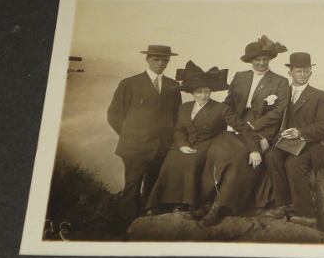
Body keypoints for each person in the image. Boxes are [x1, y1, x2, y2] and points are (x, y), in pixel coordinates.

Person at [144, 61, 262, 226]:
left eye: (206, 92)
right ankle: (162, 203)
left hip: (207, 143)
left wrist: (254, 150)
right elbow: (178, 130)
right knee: (172, 160)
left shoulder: (221, 109)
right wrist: (182, 144)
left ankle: (185, 203)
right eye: (199, 92)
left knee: (192, 160)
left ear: (210, 92)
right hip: (185, 143)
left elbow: (243, 129)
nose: (203, 96)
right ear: (192, 93)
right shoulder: (184, 108)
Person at [107, 44, 182, 228]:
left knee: (154, 184)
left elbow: (176, 116)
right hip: (134, 147)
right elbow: (114, 115)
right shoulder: (129, 83)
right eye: (156, 59)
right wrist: (130, 136)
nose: (161, 63)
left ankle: (147, 225)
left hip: (162, 147)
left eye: (165, 60)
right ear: (147, 59)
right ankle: (127, 226)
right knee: (132, 185)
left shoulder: (173, 86)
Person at [264, 52, 324, 219]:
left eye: (306, 71)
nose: (302, 75)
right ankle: (284, 204)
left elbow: (322, 127)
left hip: (316, 144)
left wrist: (300, 132)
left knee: (293, 163)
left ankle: (306, 214)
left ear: (311, 72)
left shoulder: (322, 97)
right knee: (271, 156)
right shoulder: (282, 94)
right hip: (289, 143)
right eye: (298, 71)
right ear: (290, 73)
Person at [223, 35, 290, 207]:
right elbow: (228, 103)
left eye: (265, 59)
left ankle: (243, 202)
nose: (261, 63)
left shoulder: (280, 82)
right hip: (236, 124)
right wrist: (232, 122)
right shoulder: (239, 76)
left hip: (263, 127)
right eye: (257, 60)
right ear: (250, 61)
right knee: (227, 152)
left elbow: (278, 111)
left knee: (249, 155)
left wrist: (254, 126)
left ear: (269, 59)